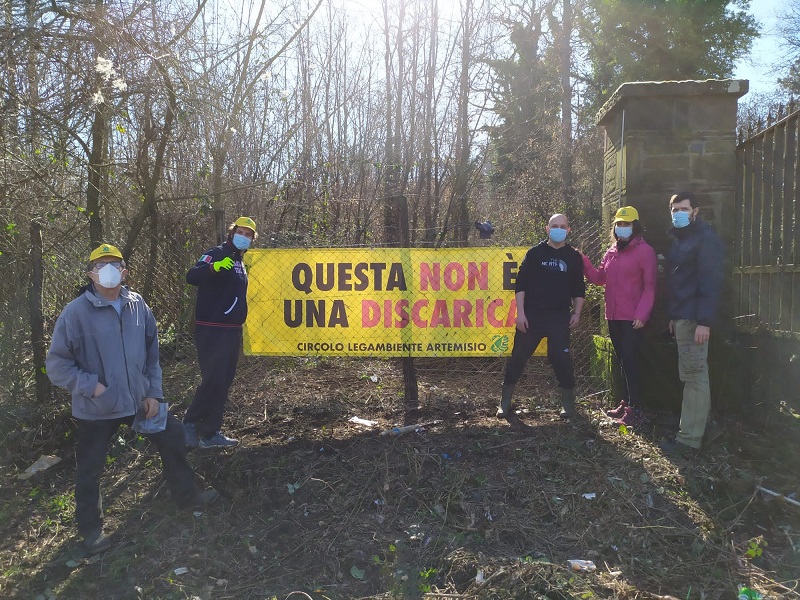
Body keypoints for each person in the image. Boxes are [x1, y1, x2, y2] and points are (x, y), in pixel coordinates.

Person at [46, 243, 218, 555]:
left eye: (115, 264)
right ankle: (91, 531)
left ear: (125, 271)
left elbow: (153, 355)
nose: (109, 270)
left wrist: (153, 392)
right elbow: (57, 366)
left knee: (174, 435)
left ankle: (187, 495)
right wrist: (92, 387)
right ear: (90, 273)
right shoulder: (75, 313)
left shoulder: (139, 305)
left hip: (138, 402)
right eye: (101, 265)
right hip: (96, 408)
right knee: (89, 468)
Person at [498, 213, 585, 419]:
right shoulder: (535, 253)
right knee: (518, 357)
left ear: (568, 230)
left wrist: (577, 313)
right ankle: (504, 403)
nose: (558, 229)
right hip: (532, 317)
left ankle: (568, 405)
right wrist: (520, 314)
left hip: (559, 318)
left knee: (562, 359)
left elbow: (579, 289)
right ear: (547, 229)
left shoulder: (573, 257)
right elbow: (520, 285)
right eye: (554, 225)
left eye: (563, 226)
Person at [183, 217, 257, 449]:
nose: (243, 236)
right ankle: (189, 422)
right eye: (240, 231)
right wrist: (213, 268)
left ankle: (210, 432)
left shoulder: (241, 263)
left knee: (224, 381)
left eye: (248, 234)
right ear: (232, 232)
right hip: (211, 328)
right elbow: (192, 277)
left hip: (232, 329)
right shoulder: (216, 253)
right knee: (213, 378)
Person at [582, 206, 657, 426]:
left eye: (627, 224)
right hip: (613, 317)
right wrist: (583, 261)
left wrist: (642, 314)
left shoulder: (645, 251)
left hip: (632, 319)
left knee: (632, 363)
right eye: (619, 224)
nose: (622, 228)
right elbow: (599, 278)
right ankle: (626, 404)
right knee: (623, 362)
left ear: (636, 226)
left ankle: (636, 410)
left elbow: (650, 287)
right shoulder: (611, 251)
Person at [661, 192, 723, 454]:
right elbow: (680, 282)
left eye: (684, 208)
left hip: (695, 319)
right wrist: (674, 318)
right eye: (674, 208)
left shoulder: (705, 239)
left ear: (695, 211)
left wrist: (704, 321)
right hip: (683, 317)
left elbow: (710, 281)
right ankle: (696, 430)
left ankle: (689, 441)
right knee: (691, 375)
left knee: (695, 377)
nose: (678, 213)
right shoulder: (681, 240)